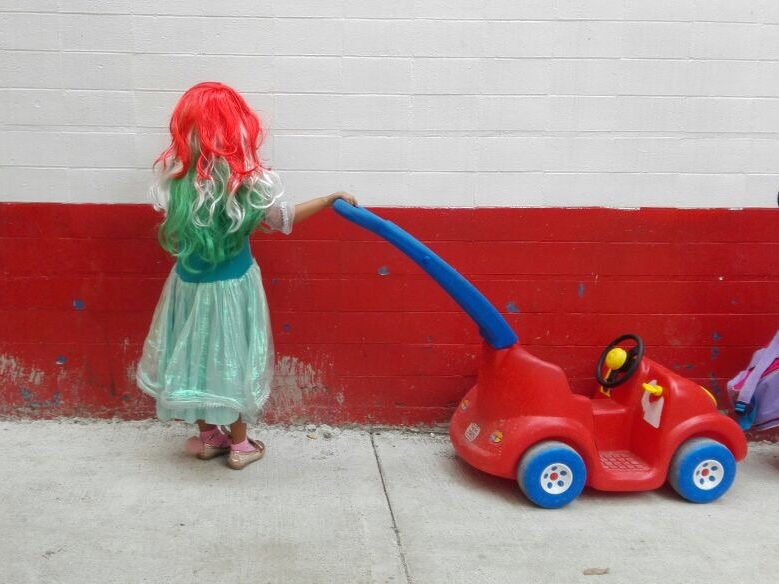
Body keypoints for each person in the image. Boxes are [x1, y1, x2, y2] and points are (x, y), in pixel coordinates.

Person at [136, 82, 356, 470]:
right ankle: (239, 447)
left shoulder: (177, 181)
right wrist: (328, 199)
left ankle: (208, 438)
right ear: (238, 127)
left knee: (194, 357)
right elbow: (281, 219)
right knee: (231, 360)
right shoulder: (248, 181)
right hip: (233, 288)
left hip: (187, 286)